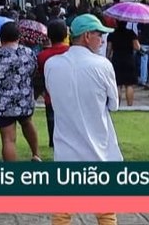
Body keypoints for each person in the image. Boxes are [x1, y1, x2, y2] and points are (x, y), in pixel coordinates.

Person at [45, 14, 120, 225]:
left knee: (62, 211)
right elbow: (113, 105)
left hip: (66, 146)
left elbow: (53, 95)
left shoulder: (52, 64)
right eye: (100, 34)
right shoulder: (102, 65)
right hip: (98, 146)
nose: (103, 40)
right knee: (105, 209)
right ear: (87, 36)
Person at [0, 21, 40, 161]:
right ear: (19, 36)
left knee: (8, 140)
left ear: (1, 36)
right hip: (24, 98)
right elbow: (33, 71)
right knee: (28, 123)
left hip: (2, 102)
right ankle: (36, 154)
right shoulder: (28, 53)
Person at [36, 19, 69, 148]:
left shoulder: (42, 56)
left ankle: (53, 141)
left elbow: (39, 75)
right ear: (66, 35)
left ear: (48, 36)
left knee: (52, 119)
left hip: (50, 95)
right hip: (69, 94)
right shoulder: (71, 51)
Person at [106, 20, 140, 106]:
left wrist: (108, 58)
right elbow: (137, 47)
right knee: (129, 84)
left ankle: (117, 105)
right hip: (129, 59)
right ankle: (130, 105)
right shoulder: (131, 33)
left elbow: (109, 49)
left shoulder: (112, 34)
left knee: (117, 84)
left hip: (117, 59)